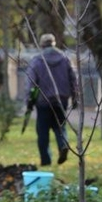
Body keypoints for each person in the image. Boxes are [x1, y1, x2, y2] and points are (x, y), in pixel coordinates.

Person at [24, 33, 78, 166]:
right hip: (61, 100)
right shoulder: (65, 59)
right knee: (60, 127)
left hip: (43, 101)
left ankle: (46, 159)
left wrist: (30, 101)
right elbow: (73, 79)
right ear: (54, 44)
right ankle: (63, 145)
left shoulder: (37, 61)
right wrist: (75, 97)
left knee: (42, 131)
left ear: (42, 45)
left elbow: (32, 83)